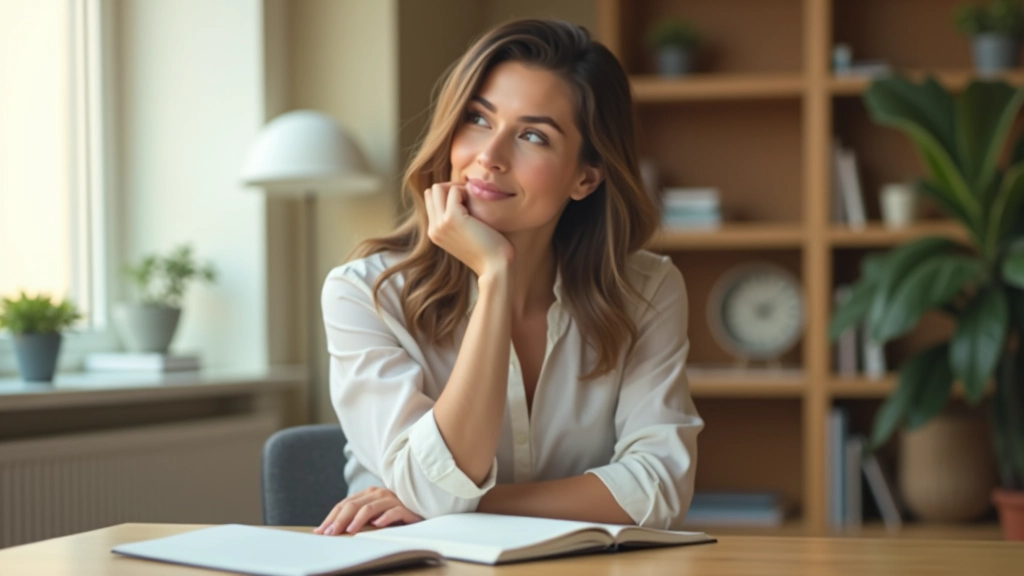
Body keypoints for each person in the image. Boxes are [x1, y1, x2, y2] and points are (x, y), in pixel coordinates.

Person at [314, 18, 702, 536]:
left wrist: (476, 504)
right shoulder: (365, 294)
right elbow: (432, 491)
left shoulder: (646, 291)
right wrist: (495, 277)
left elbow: (659, 487)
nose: (488, 158)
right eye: (478, 119)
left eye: (534, 136)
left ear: (586, 176)